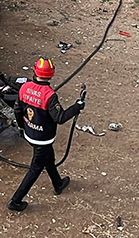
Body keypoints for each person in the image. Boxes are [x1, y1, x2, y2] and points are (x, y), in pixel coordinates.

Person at [8, 58, 84, 212]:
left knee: (49, 158)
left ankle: (58, 183)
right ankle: (15, 201)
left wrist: (22, 128)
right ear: (51, 74)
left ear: (35, 71)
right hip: (42, 139)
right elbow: (60, 118)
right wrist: (77, 107)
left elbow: (17, 110)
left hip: (30, 133)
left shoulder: (24, 87)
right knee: (35, 168)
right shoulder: (49, 95)